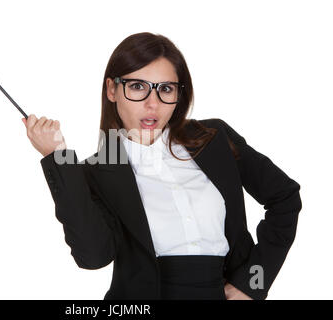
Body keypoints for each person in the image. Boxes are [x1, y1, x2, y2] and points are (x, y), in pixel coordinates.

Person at [21, 32, 302, 300]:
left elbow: (285, 198)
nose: (152, 104)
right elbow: (93, 257)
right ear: (112, 90)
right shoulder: (96, 173)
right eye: (137, 87)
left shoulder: (215, 138)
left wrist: (254, 283)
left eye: (166, 89)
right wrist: (57, 156)